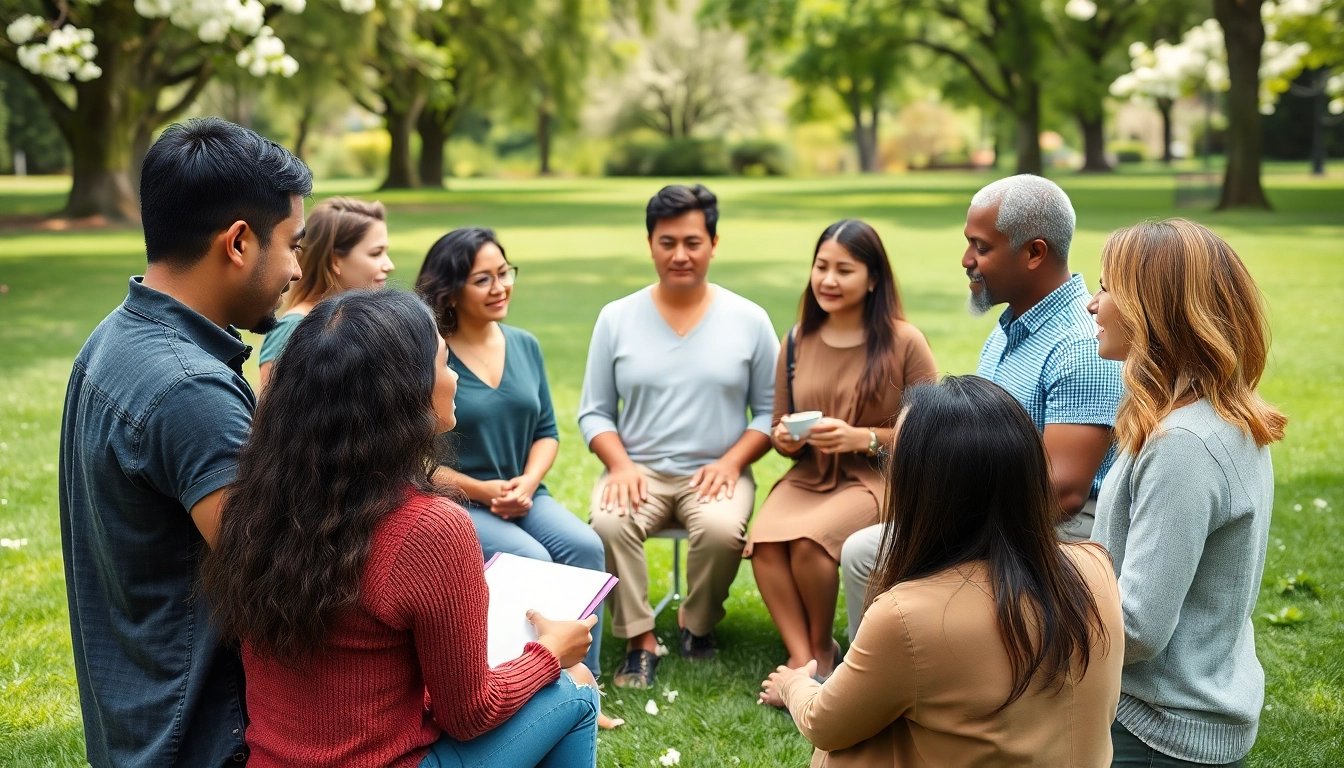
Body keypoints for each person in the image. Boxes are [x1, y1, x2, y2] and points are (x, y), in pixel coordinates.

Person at [200, 290, 600, 768]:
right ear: (405, 393)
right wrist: (549, 652)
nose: (455, 377)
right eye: (445, 362)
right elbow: (469, 715)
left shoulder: (254, 498)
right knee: (578, 687)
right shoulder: (428, 527)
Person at [57, 117, 309, 767]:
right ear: (239, 242)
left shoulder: (112, 338)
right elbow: (283, 583)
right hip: (202, 742)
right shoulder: (189, 389)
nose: (296, 269)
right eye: (292, 244)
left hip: (138, 729)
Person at [759, 376, 1125, 768]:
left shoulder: (907, 615)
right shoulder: (1095, 566)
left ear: (924, 488)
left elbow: (825, 726)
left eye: (892, 459)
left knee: (848, 750)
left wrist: (795, 684)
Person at [839, 173, 1123, 639]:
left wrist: (951, 519)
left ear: (1034, 253)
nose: (966, 259)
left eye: (981, 247)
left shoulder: (1078, 346)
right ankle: (887, 676)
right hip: (1001, 509)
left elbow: (1064, 493)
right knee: (867, 553)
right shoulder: (1011, 328)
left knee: (874, 554)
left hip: (1059, 531)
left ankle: (888, 677)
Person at [1088, 219, 1286, 767]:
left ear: (1153, 310)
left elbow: (1137, 628)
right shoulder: (1219, 416)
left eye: (1106, 288)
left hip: (1157, 728)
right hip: (1176, 711)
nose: (1092, 304)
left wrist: (1028, 607)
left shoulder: (1184, 445)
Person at [580, 183, 777, 689]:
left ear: (714, 243)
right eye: (667, 242)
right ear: (650, 244)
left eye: (693, 242)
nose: (680, 255)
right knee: (607, 522)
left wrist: (732, 463)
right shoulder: (616, 318)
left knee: (720, 530)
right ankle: (640, 638)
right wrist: (620, 465)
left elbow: (771, 412)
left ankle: (697, 623)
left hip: (716, 470)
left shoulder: (750, 319)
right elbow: (595, 413)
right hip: (637, 470)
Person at [415, 227, 609, 696]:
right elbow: (417, 458)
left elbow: (547, 432)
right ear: (451, 290)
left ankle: (585, 684)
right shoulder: (432, 356)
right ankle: (525, 683)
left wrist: (527, 481)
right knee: (530, 558)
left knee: (585, 547)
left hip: (524, 493)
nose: (500, 287)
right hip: (459, 500)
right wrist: (483, 490)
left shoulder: (525, 344)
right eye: (483, 279)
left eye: (505, 273)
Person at [747, 219, 937, 680]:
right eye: (821, 267)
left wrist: (864, 438)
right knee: (765, 545)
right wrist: (786, 438)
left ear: (873, 279)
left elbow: (934, 429)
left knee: (810, 544)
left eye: (844, 270)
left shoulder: (904, 341)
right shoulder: (797, 340)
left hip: (875, 478)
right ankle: (803, 656)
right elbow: (778, 423)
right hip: (811, 473)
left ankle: (820, 652)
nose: (828, 280)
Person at [258, 196, 393, 391]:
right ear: (335, 260)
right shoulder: (293, 327)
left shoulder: (367, 322)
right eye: (376, 253)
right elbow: (271, 405)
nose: (389, 265)